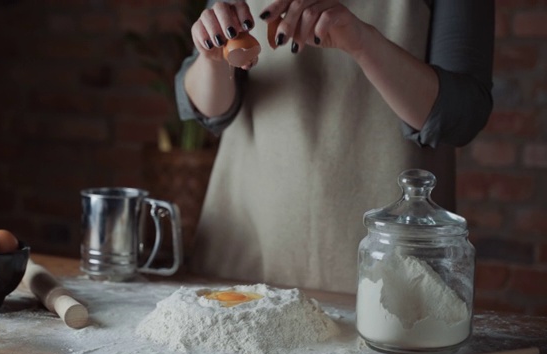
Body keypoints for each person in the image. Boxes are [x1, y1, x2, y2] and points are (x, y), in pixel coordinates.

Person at [175, 0, 494, 294]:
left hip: (389, 271)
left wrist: (362, 42)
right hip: (245, 256)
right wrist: (212, 57)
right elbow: (211, 110)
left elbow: (459, 117)